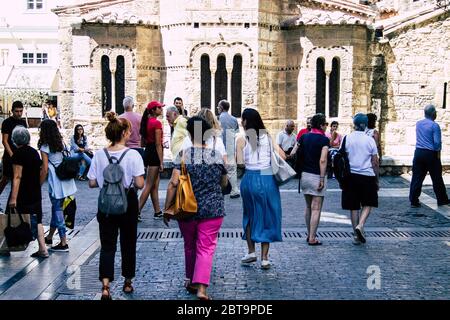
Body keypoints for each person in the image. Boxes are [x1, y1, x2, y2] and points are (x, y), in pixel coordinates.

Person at [163, 116, 228, 300]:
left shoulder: (183, 155)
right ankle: (202, 289)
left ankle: (190, 280)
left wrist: (167, 209)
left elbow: (173, 183)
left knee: (190, 246)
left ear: (190, 134)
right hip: (212, 208)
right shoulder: (216, 156)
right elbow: (223, 183)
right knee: (206, 248)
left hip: (187, 208)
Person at [87, 112, 145, 300]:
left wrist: (108, 180)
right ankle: (128, 282)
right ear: (125, 133)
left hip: (106, 206)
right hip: (127, 204)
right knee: (128, 243)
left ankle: (105, 285)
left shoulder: (99, 155)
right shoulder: (133, 155)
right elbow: (140, 184)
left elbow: (92, 183)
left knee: (107, 245)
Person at [236, 108, 283, 269]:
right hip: (267, 177)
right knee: (267, 215)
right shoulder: (268, 137)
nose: (241, 122)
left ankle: (251, 252)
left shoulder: (241, 139)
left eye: (243, 119)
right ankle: (265, 258)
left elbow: (240, 163)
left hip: (250, 178)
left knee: (249, 215)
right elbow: (282, 155)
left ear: (247, 121)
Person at [7, 126, 48, 258]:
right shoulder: (34, 152)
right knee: (38, 219)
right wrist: (38, 184)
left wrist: (13, 197)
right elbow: (42, 170)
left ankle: (6, 245)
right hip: (35, 190)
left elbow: (17, 176)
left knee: (12, 217)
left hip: (23, 192)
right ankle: (43, 248)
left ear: (14, 140)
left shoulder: (17, 155)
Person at [39, 119, 77, 252]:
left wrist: (39, 184)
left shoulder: (44, 147)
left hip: (56, 182)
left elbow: (44, 168)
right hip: (67, 181)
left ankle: (63, 241)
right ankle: (49, 237)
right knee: (57, 209)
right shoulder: (61, 143)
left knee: (57, 209)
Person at [341, 113, 379, 245]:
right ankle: (361, 225)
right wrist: (377, 179)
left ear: (354, 124)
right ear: (365, 124)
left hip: (351, 176)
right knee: (368, 203)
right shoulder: (370, 140)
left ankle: (356, 236)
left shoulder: (347, 138)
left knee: (354, 206)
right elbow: (375, 162)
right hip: (367, 176)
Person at [296, 114, 329, 245]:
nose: (326, 126)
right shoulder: (324, 140)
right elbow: (323, 159)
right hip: (316, 176)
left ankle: (309, 233)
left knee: (308, 207)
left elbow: (293, 152)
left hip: (304, 176)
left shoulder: (304, 136)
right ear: (321, 125)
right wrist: (322, 178)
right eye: (325, 124)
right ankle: (312, 238)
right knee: (316, 208)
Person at [409, 105, 449, 208]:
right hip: (430, 154)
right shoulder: (434, 126)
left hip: (418, 152)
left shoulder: (418, 124)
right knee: (436, 178)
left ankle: (414, 200)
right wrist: (438, 156)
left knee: (417, 177)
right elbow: (437, 143)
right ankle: (442, 199)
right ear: (432, 113)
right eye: (435, 112)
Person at [0, 101, 27, 211]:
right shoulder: (7, 122)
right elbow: (4, 141)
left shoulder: (23, 123)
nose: (19, 114)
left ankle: (13, 205)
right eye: (17, 111)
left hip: (20, 156)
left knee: (18, 179)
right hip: (9, 156)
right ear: (12, 111)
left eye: (21, 111)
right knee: (5, 179)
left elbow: (25, 139)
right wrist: (12, 155)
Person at [139, 101, 164, 219]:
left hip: (148, 152)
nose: (161, 109)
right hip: (154, 153)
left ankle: (157, 211)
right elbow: (158, 144)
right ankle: (136, 211)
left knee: (154, 185)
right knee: (149, 185)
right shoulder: (157, 123)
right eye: (159, 108)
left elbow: (142, 142)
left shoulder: (146, 122)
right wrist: (161, 161)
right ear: (154, 110)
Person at [218, 100, 240, 199]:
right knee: (232, 169)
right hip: (230, 146)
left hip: (219, 147)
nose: (217, 108)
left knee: (219, 168)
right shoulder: (234, 119)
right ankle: (234, 190)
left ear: (221, 108)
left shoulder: (217, 119)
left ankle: (220, 189)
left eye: (218, 107)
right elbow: (236, 133)